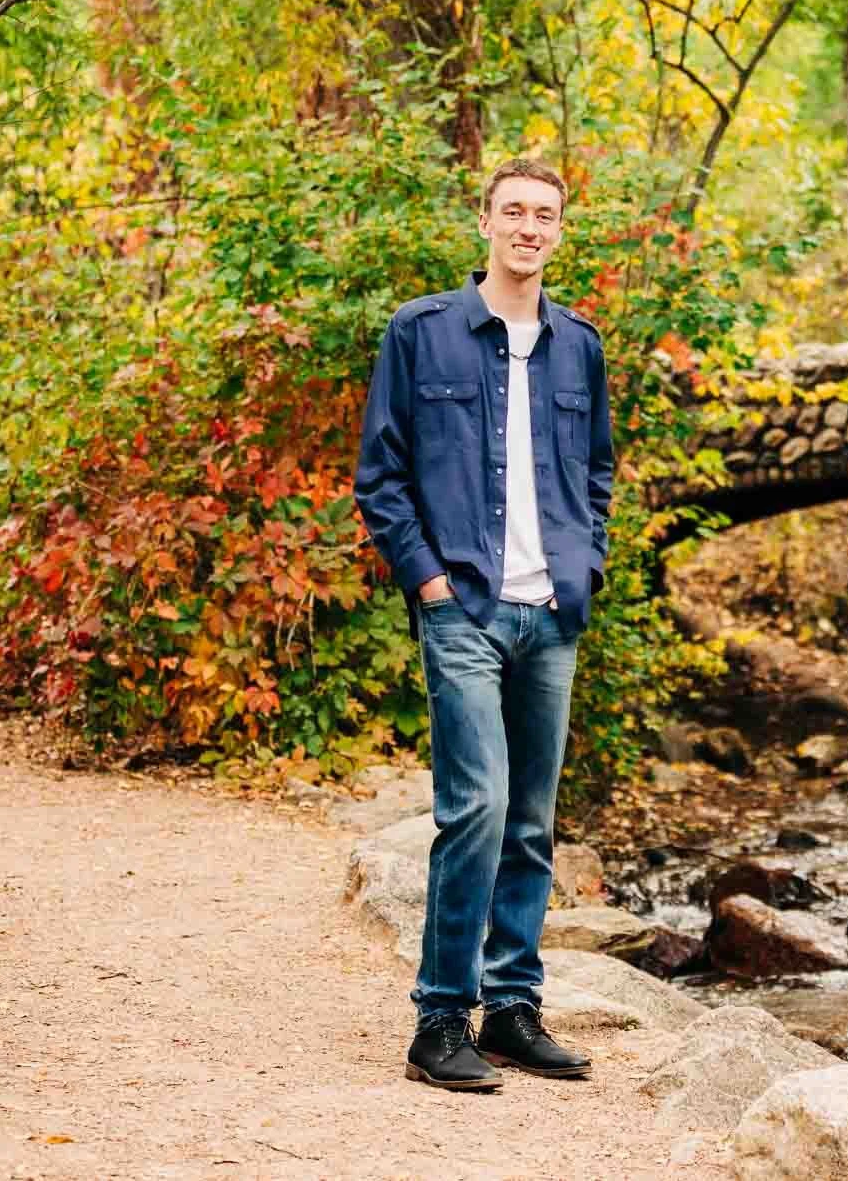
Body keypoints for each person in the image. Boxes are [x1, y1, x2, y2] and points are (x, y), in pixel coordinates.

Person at [352, 157, 614, 1091]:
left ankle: (511, 1010)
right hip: (461, 607)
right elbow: (380, 477)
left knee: (533, 822)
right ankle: (439, 1022)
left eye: (545, 214)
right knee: (478, 810)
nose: (529, 228)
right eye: (514, 212)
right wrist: (426, 583)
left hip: (552, 615)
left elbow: (595, 475)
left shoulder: (578, 345)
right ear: (486, 224)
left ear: (560, 231)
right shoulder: (423, 333)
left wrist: (583, 567)